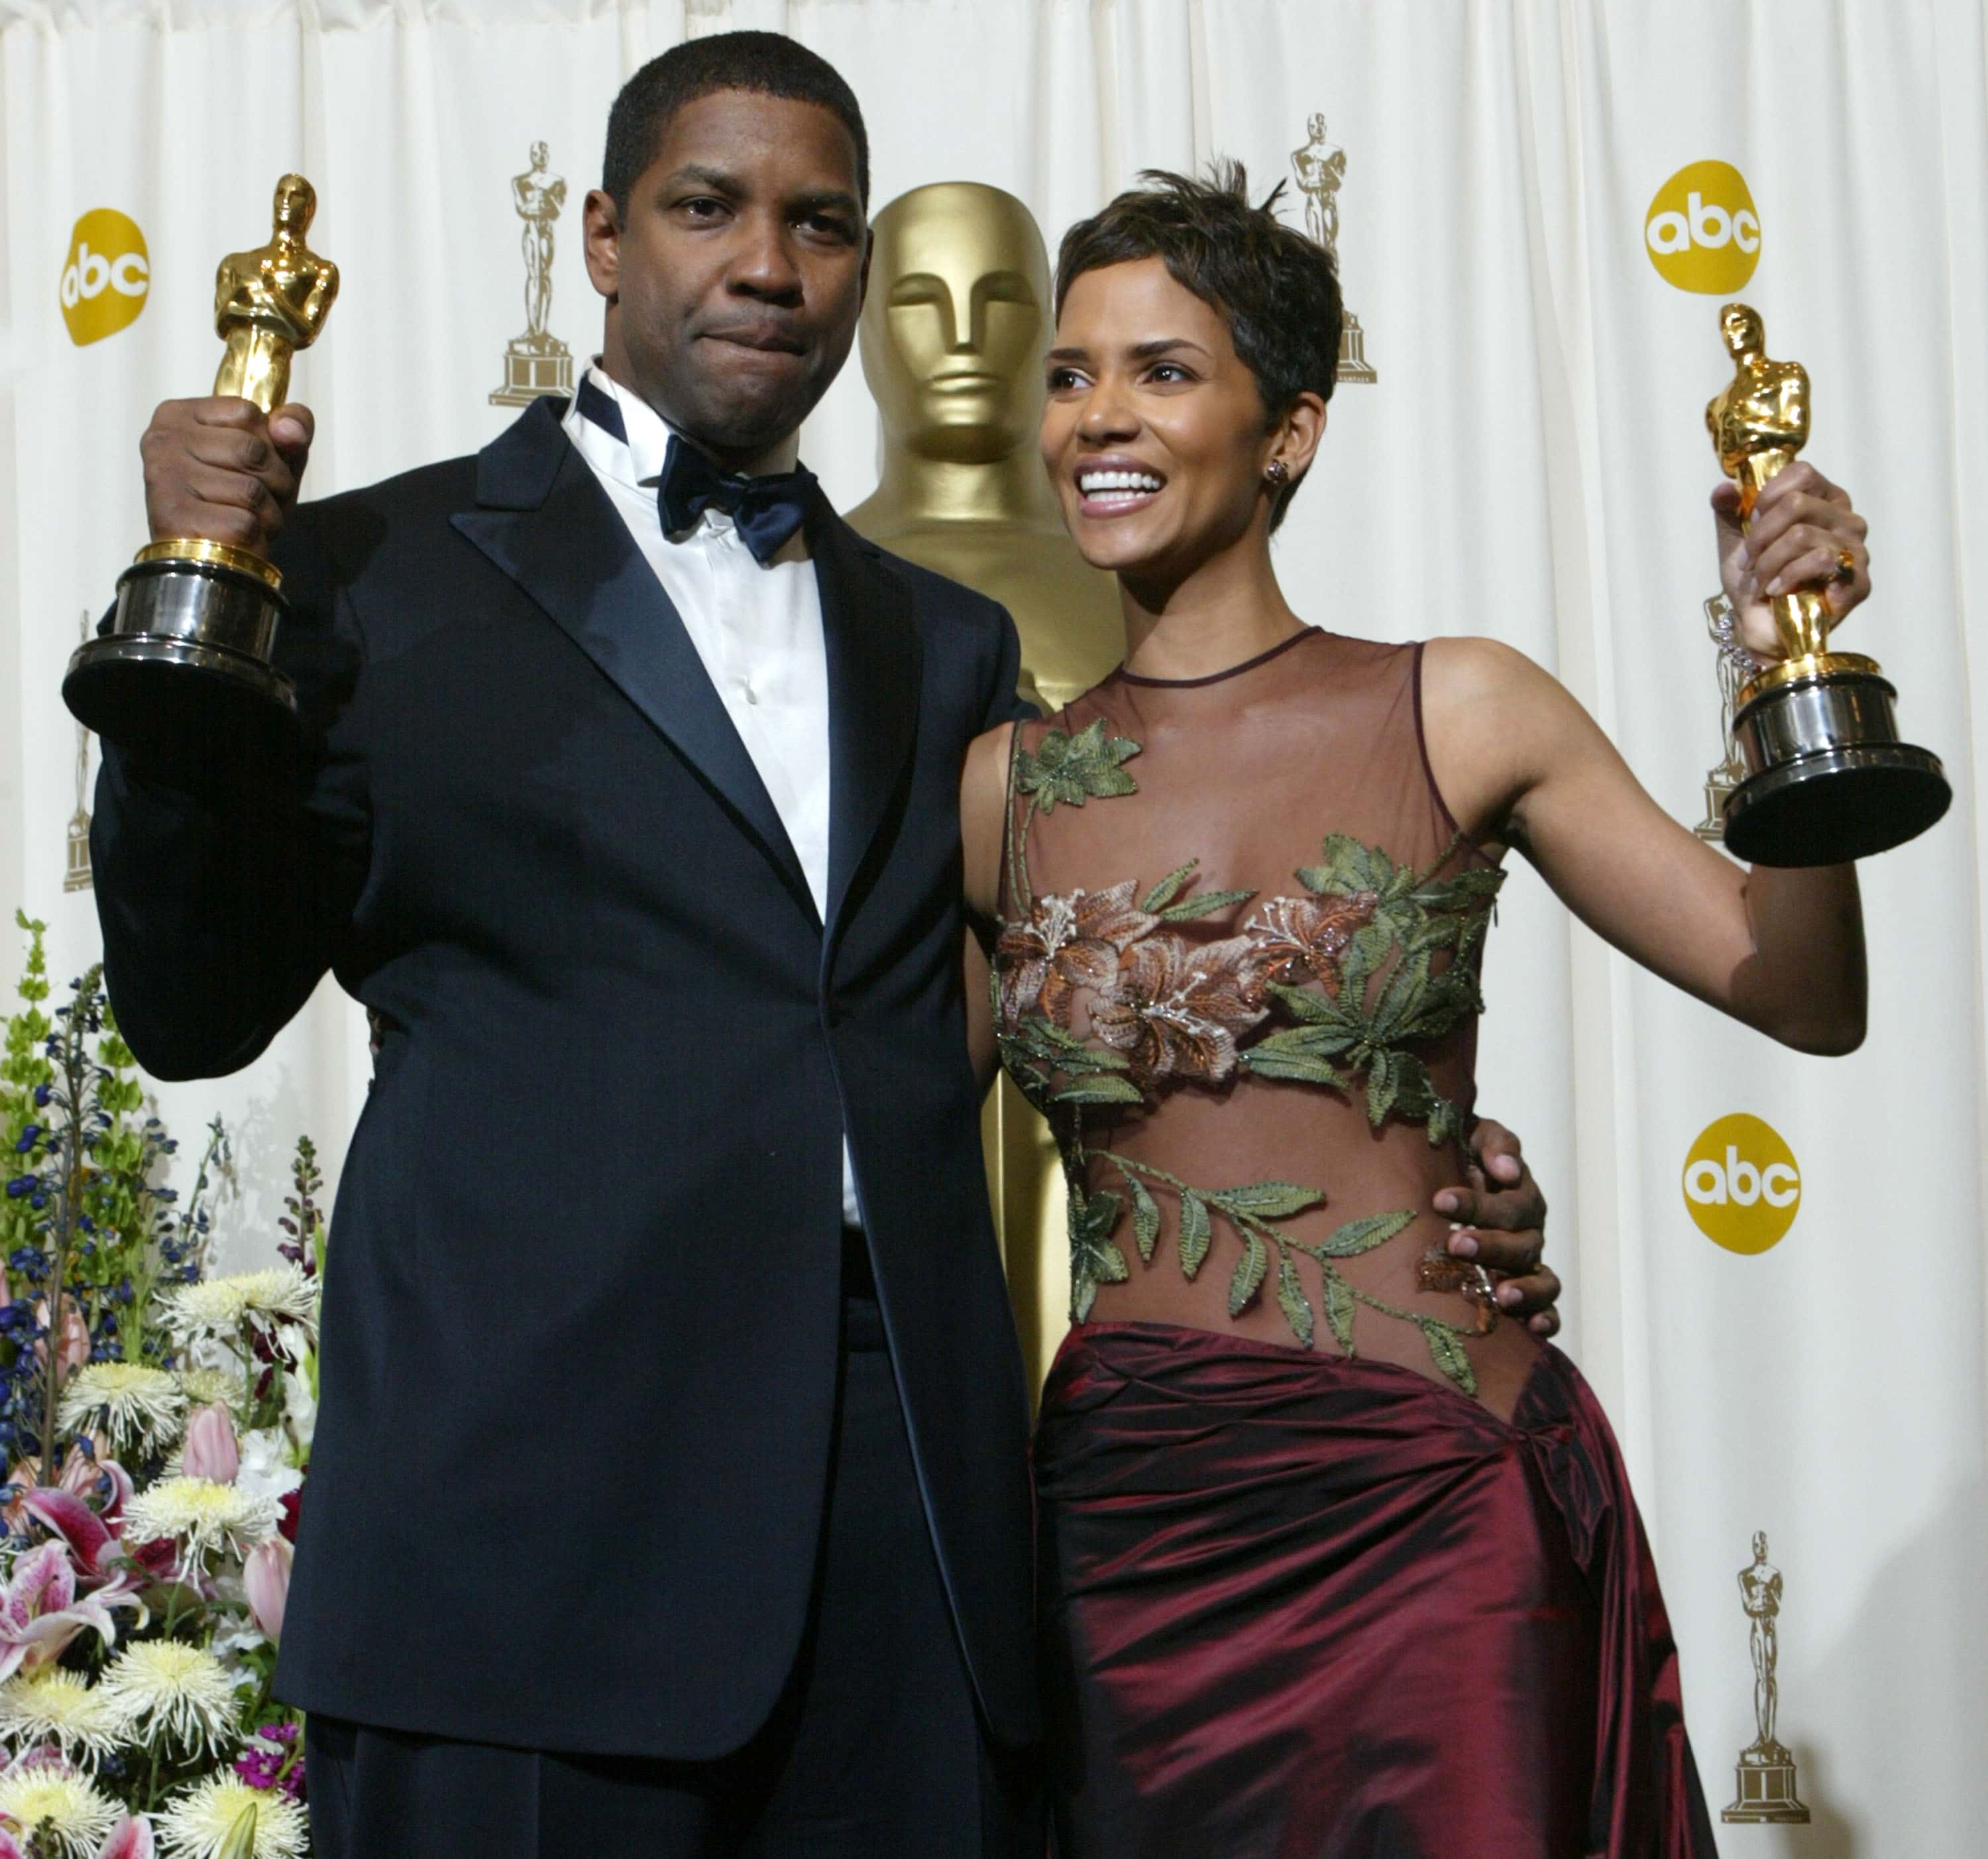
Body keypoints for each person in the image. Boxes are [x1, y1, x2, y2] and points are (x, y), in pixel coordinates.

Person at [98, 34, 1562, 1856]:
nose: (768, 264)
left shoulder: (944, 645)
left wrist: (1431, 1161)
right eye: (709, 208)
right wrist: (185, 633)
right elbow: (187, 1005)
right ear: (602, 237)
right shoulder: (364, 576)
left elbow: (1111, 994)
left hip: (909, 1560)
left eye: (820, 223)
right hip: (526, 1558)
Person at [961, 164, 1873, 1856]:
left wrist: (1781, 675)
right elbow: (880, 1166)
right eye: (1074, 372)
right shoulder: (995, 790)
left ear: (1290, 429)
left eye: (1166, 370)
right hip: (1131, 1537)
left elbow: (1801, 986)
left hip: (1441, 1509)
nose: (1103, 414)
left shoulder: (1459, 703)